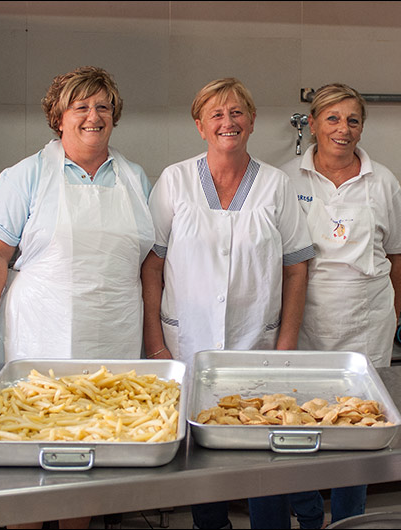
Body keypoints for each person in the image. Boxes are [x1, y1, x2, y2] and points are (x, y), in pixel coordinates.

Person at [0, 66, 154, 530]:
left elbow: (149, 264)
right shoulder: (25, 175)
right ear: (58, 116)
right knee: (27, 460)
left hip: (110, 345)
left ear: (115, 115)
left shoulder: (135, 178)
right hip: (38, 342)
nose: (93, 116)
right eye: (80, 106)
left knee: (88, 457)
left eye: (103, 106)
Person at [141, 77, 315, 529]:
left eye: (237, 112)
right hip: (188, 343)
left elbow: (296, 267)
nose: (228, 122)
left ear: (252, 122)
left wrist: (286, 346)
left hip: (256, 343)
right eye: (216, 114)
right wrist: (157, 346)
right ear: (199, 125)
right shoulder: (174, 181)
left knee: (263, 454)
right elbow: (152, 266)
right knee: (201, 454)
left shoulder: (276, 185)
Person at [274, 83, 401, 529]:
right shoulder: (285, 179)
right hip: (304, 322)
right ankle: (310, 510)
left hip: (365, 325)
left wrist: (391, 316)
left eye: (353, 120)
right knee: (298, 423)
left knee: (359, 429)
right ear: (312, 124)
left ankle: (352, 518)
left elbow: (397, 256)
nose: (343, 129)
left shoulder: (382, 181)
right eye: (332, 118)